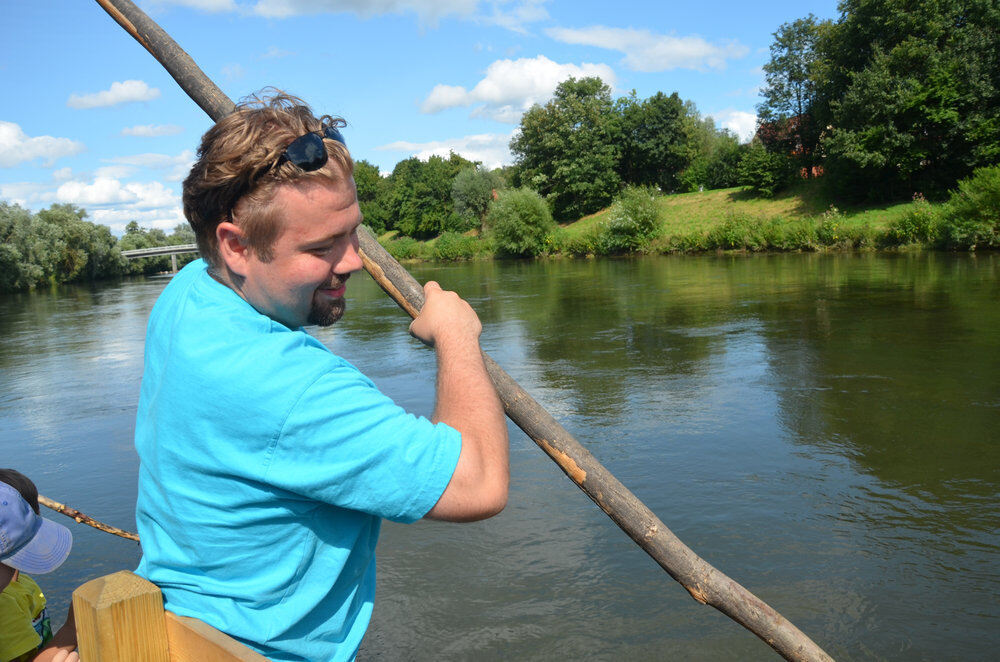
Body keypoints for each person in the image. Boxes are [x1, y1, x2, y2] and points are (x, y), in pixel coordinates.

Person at [133, 90, 509, 662]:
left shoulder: (188, 293)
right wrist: (458, 337)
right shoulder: (292, 389)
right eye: (321, 246)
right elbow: (478, 484)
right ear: (234, 246)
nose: (355, 260)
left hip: (178, 631)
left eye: (352, 231)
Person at [0, 469, 79, 662]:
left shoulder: (18, 585)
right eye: (10, 561)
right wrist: (73, 628)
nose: (14, 572)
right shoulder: (5, 604)